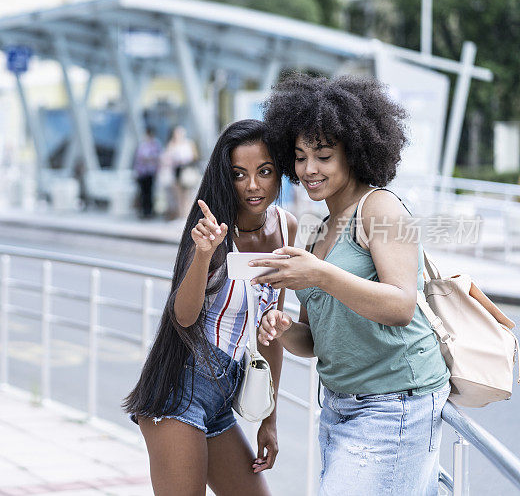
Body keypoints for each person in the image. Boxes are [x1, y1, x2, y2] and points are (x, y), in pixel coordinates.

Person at [254, 74, 450, 495]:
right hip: (339, 405)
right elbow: (315, 341)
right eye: (301, 157)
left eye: (323, 156)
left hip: (395, 402)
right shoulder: (315, 230)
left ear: (355, 152)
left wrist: (320, 273)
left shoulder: (379, 207)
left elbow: (401, 306)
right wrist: (283, 328)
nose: (309, 170)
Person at [124, 119, 298, 496]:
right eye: (239, 174)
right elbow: (183, 317)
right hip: (180, 389)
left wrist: (269, 419)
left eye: (264, 172)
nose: (253, 185)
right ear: (226, 176)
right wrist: (203, 255)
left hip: (223, 395)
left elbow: (271, 336)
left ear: (279, 172)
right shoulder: (212, 229)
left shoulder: (286, 227)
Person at [161, 125, 198, 219]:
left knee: (187, 194)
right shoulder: (172, 144)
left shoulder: (189, 143)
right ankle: (181, 215)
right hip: (176, 170)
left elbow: (194, 156)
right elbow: (167, 158)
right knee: (178, 194)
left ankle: (187, 216)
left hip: (186, 170)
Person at [133, 127, 162, 218]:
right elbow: (139, 158)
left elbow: (157, 157)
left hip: (150, 172)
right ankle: (143, 211)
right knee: (142, 192)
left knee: (149, 192)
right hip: (142, 172)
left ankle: (149, 211)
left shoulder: (156, 144)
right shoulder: (143, 145)